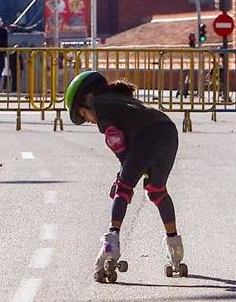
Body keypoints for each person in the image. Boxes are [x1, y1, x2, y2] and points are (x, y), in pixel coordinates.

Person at [65, 71, 187, 281]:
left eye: (84, 116)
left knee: (122, 188)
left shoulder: (100, 108)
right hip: (168, 131)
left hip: (148, 134)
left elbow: (117, 141)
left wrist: (125, 174)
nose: (90, 121)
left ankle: (110, 248)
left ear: (87, 99)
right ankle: (175, 250)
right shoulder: (118, 99)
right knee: (157, 191)